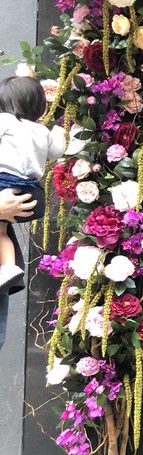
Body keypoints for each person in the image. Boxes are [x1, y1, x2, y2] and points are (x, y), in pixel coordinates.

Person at [0, 77, 63, 294]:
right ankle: (8, 267)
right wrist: (62, 130)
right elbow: (57, 151)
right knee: (1, 232)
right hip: (32, 194)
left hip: (6, 187)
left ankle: (8, 268)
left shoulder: (5, 122)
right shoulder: (41, 132)